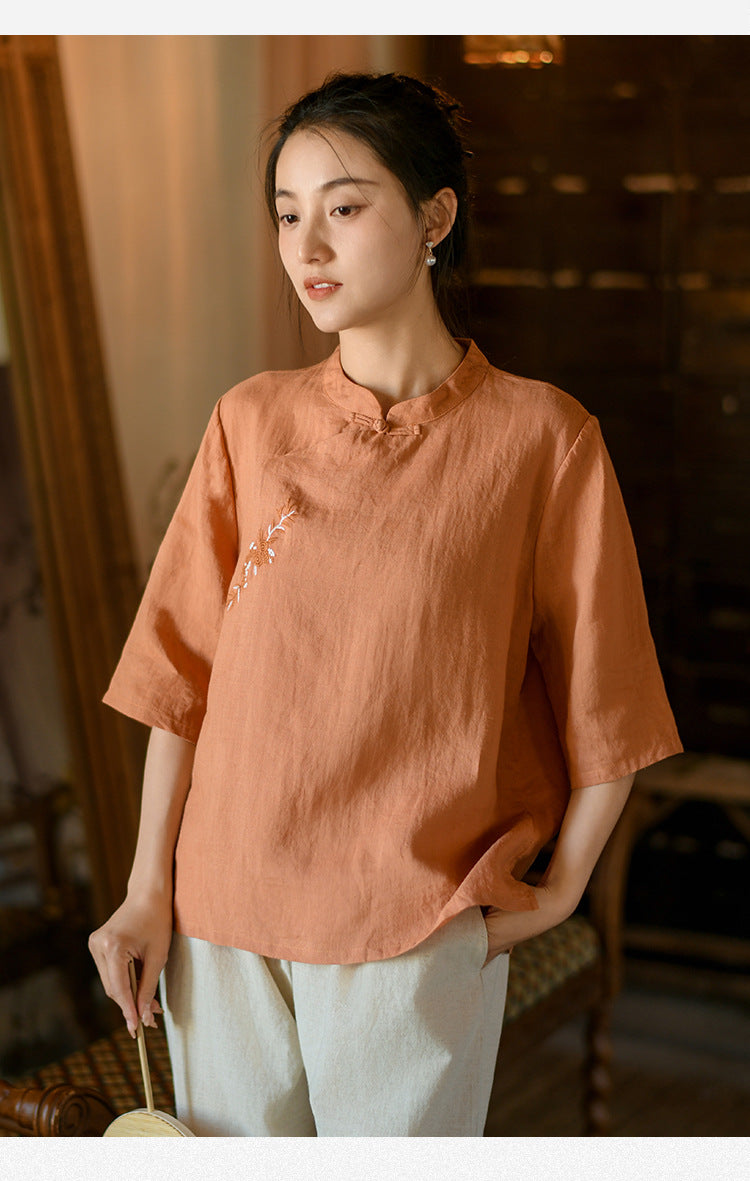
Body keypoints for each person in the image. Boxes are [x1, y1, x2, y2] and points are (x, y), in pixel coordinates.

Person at [89, 71, 683, 1137]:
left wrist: (562, 890)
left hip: (411, 926)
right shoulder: (249, 423)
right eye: (287, 214)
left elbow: (613, 701)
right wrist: (146, 891)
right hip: (221, 919)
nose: (307, 246)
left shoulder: (543, 441)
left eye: (345, 207)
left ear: (434, 218)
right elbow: (179, 680)